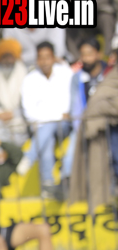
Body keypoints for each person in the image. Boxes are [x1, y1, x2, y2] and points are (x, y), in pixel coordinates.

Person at [17, 42, 73, 196]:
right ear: (37, 59)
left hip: (64, 125)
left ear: (54, 58)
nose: (44, 61)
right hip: (42, 127)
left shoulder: (65, 73)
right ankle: (48, 184)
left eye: (47, 57)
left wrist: (55, 116)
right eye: (41, 58)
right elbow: (29, 113)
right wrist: (56, 116)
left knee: (48, 128)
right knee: (47, 138)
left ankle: (29, 157)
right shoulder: (29, 79)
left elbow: (70, 103)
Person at [62, 38, 109, 181]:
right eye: (83, 54)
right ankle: (67, 181)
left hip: (107, 123)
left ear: (99, 54)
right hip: (83, 124)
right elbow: (75, 107)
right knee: (70, 155)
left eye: (90, 53)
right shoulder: (77, 78)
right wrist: (80, 128)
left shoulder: (109, 73)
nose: (86, 58)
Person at [0, 38, 29, 145]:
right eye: (4, 57)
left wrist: (14, 113)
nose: (7, 60)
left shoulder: (25, 75)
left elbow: (31, 104)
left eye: (10, 56)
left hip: (20, 119)